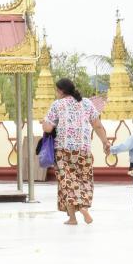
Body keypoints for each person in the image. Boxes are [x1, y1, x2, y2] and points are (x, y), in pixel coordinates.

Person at [42, 77, 110, 225]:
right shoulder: (87, 103)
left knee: (67, 182)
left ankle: (76, 214)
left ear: (61, 91)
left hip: (63, 150)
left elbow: (48, 128)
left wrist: (43, 122)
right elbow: (97, 125)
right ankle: (78, 211)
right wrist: (105, 142)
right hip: (83, 150)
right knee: (84, 180)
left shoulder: (57, 104)